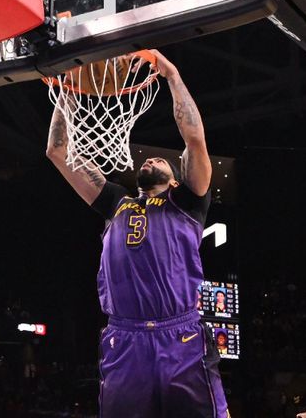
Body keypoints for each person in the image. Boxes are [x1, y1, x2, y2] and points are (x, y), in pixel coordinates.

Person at [47, 49, 228, 418]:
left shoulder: (188, 202)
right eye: (148, 160)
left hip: (181, 336)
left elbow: (195, 140)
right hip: (125, 338)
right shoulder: (115, 202)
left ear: (175, 177)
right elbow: (57, 151)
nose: (150, 160)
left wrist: (172, 74)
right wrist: (69, 87)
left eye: (160, 160)